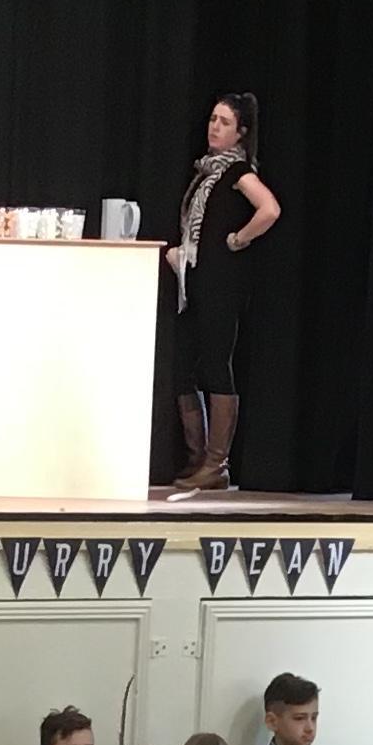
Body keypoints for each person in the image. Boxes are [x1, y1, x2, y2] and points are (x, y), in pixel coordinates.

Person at [166, 89, 277, 493]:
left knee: (216, 364)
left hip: (222, 283)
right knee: (183, 366)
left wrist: (239, 239)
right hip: (197, 281)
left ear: (241, 132)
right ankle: (199, 457)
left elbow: (270, 209)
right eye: (213, 119)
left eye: (225, 122)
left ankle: (217, 463)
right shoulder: (207, 172)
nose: (215, 127)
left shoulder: (236, 172)